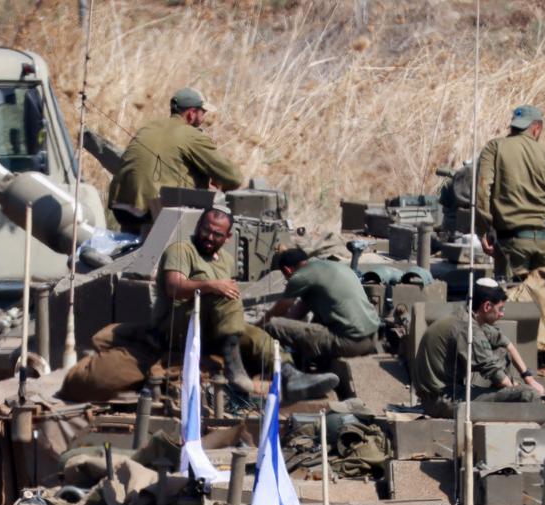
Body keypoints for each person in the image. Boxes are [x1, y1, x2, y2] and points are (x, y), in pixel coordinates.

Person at [157, 211, 336, 402]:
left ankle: (290, 375)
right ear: (198, 226)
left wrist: (220, 289)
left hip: (210, 330)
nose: (209, 238)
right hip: (177, 326)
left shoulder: (226, 260)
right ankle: (236, 372)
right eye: (206, 231)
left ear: (228, 237)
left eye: (217, 234)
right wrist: (212, 285)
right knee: (226, 294)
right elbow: (173, 287)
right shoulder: (182, 250)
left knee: (256, 334)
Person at [107, 87, 244, 234]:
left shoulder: (148, 127)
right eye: (203, 112)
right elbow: (233, 177)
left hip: (122, 210)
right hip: (154, 213)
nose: (204, 117)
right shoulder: (191, 135)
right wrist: (216, 182)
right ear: (191, 113)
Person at [409, 278, 544, 417]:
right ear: (487, 307)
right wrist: (515, 390)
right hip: (442, 401)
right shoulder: (468, 329)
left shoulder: (465, 316)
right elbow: (491, 369)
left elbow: (506, 345)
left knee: (501, 353)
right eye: (500, 309)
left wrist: (528, 378)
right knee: (528, 395)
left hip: (439, 394)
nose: (502, 314)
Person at [475, 104, 545, 281]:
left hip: (512, 244)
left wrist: (484, 231)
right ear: (536, 128)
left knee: (512, 303)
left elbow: (482, 189)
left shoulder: (495, 148)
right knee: (544, 304)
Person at [262, 248, 383, 371]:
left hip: (349, 343)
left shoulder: (300, 277)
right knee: (315, 321)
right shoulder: (329, 267)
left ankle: (292, 374)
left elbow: (280, 310)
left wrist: (259, 326)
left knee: (273, 325)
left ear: (288, 270)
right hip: (372, 337)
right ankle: (316, 365)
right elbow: (298, 312)